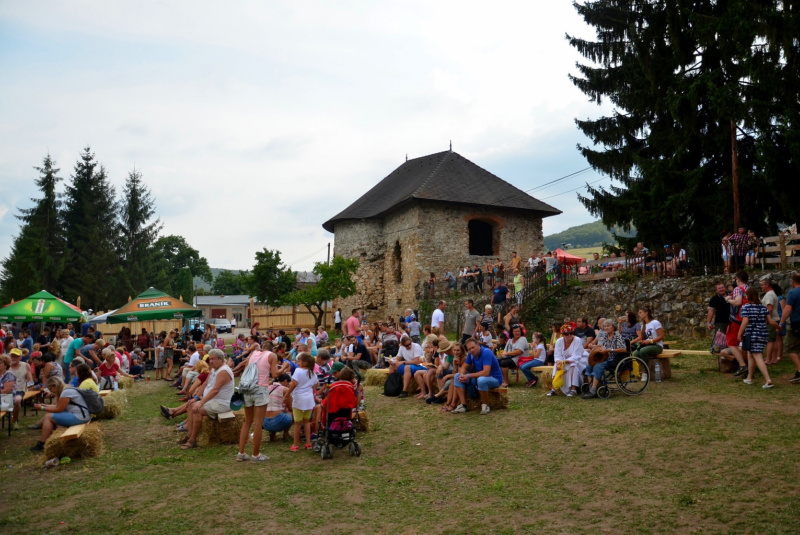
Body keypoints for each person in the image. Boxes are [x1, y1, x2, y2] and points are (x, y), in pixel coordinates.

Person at [178, 349, 234, 450]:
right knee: (190, 406)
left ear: (220, 359)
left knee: (197, 410)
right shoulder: (213, 369)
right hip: (213, 401)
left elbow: (215, 390)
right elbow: (205, 384)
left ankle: (192, 440)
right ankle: (189, 435)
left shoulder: (224, 371)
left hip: (222, 403)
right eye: (210, 359)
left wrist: (200, 403)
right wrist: (195, 398)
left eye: (213, 359)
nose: (210, 361)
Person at [29, 376, 92, 452]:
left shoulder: (66, 392)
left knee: (48, 417)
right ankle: (52, 442)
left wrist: (42, 408)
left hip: (79, 417)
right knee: (52, 418)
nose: (51, 392)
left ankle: (42, 444)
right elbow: (59, 406)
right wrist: (45, 406)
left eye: (50, 389)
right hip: (82, 415)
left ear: (55, 386)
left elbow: (59, 409)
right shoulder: (67, 388)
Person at [236, 347, 273, 462]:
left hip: (247, 388)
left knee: (247, 421)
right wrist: (284, 368)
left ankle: (241, 453)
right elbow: (275, 373)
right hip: (260, 388)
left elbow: (246, 368)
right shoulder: (271, 355)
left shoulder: (253, 354)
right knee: (258, 423)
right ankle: (256, 455)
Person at [450, 338, 504, 415]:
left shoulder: (486, 352)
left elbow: (486, 372)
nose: (471, 350)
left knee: (481, 380)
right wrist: (461, 375)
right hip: (479, 377)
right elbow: (464, 367)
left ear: (478, 345)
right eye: (469, 349)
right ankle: (463, 405)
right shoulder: (471, 354)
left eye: (473, 347)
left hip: (495, 379)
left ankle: (485, 405)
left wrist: (468, 376)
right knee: (457, 376)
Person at [582, 320, 626, 399]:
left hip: (614, 358)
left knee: (597, 366)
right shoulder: (606, 335)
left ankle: (593, 390)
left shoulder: (617, 335)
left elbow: (624, 349)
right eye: (605, 326)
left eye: (608, 326)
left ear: (613, 327)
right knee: (589, 365)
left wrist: (610, 350)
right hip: (605, 356)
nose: (606, 328)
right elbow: (603, 346)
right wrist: (593, 346)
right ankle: (591, 387)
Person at [739, 287, 773, 388]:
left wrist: (739, 334)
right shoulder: (763, 307)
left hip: (752, 334)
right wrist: (778, 326)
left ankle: (768, 380)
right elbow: (770, 321)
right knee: (751, 354)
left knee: (757, 356)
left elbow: (745, 321)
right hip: (763, 333)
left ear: (748, 296)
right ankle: (749, 377)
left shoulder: (745, 307)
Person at [284, 352, 318, 452]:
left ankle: (295, 444)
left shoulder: (298, 371)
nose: (297, 362)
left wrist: (286, 395)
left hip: (299, 399)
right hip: (309, 400)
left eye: (299, 361)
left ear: (305, 362)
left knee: (297, 423)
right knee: (306, 421)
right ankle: (308, 443)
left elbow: (294, 383)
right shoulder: (313, 373)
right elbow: (315, 386)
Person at [548, 324, 586, 397]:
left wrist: (565, 361)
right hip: (563, 361)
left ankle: (573, 389)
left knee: (573, 366)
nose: (569, 335)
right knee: (556, 366)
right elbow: (557, 354)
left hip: (578, 360)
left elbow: (577, 355)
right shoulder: (559, 341)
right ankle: (553, 389)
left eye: (571, 333)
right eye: (566, 334)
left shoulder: (577, 340)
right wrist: (558, 361)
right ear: (562, 335)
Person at [778, 273, 800, 383]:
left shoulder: (792, 292)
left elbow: (787, 309)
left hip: (797, 324)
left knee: (790, 347)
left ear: (793, 282)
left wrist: (781, 323)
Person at [263, 373, 293, 442]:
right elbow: (290, 408)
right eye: (288, 383)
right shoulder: (285, 390)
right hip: (278, 421)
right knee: (292, 412)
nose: (288, 385)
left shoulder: (267, 388)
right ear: (285, 381)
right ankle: (286, 433)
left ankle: (272, 433)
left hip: (265, 422)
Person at [759, 276, 780, 366]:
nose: (761, 287)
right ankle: (774, 358)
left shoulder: (769, 295)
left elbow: (769, 309)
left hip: (771, 320)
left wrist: (768, 320)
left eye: (762, 285)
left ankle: (768, 359)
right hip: (774, 319)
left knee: (770, 340)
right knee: (773, 340)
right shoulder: (771, 294)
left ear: (767, 285)